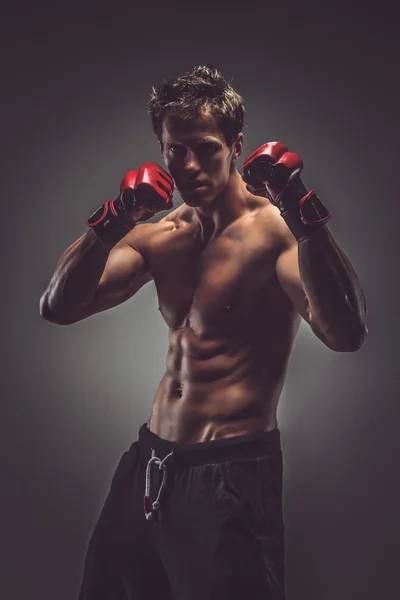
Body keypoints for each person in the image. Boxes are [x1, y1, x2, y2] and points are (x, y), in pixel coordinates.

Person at [39, 65, 367, 600]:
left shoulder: (276, 235)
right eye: (174, 149)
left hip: (229, 474)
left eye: (206, 148)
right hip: (150, 464)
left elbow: (346, 332)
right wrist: (114, 219)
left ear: (237, 145)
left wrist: (304, 211)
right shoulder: (161, 234)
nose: (188, 165)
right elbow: (58, 306)